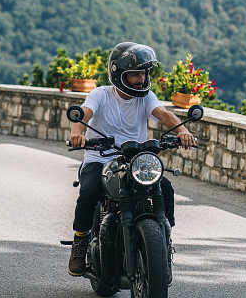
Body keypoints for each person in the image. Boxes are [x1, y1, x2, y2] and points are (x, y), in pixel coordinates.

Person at [68, 41, 195, 277]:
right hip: (101, 157)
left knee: (164, 188)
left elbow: (164, 114)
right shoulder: (101, 95)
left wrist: (182, 131)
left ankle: (163, 241)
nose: (141, 79)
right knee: (89, 191)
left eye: (144, 73)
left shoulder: (146, 98)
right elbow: (84, 113)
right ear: (119, 74)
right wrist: (77, 133)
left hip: (135, 161)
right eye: (135, 74)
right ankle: (80, 242)